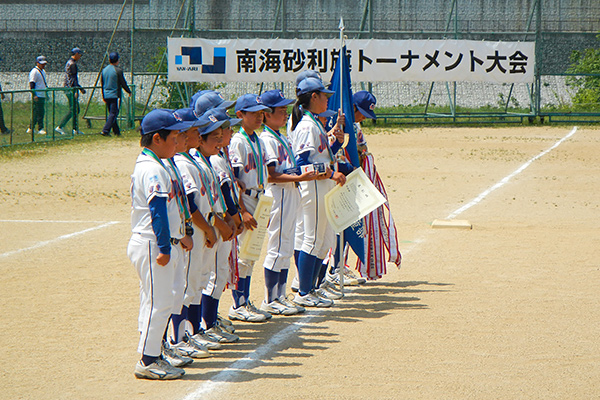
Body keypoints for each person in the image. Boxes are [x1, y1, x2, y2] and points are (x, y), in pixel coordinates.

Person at [127, 109, 197, 380]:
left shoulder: (155, 163)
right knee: (160, 302)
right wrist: (166, 249)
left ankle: (153, 351)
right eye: (175, 135)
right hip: (154, 244)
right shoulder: (154, 168)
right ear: (157, 138)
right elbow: (157, 212)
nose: (179, 140)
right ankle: (148, 360)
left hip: (155, 243)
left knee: (156, 300)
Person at [258, 89, 321, 316]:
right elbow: (272, 174)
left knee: (285, 245)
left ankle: (280, 294)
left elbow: (288, 167)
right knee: (277, 245)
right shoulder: (266, 139)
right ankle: (269, 298)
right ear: (266, 114)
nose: (285, 114)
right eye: (280, 111)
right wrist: (300, 177)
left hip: (290, 192)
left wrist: (301, 173)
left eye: (286, 110)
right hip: (278, 194)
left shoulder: (281, 136)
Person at [289, 77, 346, 308]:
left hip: (321, 185)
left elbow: (320, 157)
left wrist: (335, 146)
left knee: (322, 241)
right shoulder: (305, 125)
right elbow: (300, 164)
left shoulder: (314, 123)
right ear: (314, 97)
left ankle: (311, 288)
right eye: (324, 96)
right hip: (312, 186)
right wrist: (330, 173)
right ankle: (303, 292)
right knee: (312, 239)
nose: (326, 100)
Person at [227, 93, 272, 322]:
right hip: (247, 201)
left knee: (251, 254)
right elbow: (235, 181)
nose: (259, 117)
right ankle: (238, 303)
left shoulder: (258, 139)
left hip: (259, 198)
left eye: (261, 112)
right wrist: (242, 210)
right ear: (240, 115)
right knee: (243, 255)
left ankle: (244, 300)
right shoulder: (238, 141)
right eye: (253, 113)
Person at [100, 52, 131, 137]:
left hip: (106, 94)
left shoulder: (104, 70)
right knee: (113, 113)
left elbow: (102, 83)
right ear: (117, 60)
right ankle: (105, 130)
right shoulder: (118, 70)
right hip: (114, 95)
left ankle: (116, 132)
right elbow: (122, 82)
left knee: (112, 114)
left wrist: (103, 95)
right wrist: (129, 91)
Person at [56, 47, 85, 136]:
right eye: (79, 54)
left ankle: (75, 128)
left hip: (68, 88)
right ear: (76, 54)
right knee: (74, 109)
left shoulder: (69, 63)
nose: (80, 56)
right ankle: (60, 127)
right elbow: (73, 79)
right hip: (70, 89)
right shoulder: (72, 64)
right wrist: (77, 89)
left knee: (75, 109)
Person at [27, 56, 48, 135]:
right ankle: (40, 128)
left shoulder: (43, 72)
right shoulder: (34, 71)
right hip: (37, 95)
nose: (43, 65)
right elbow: (32, 84)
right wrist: (34, 95)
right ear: (37, 63)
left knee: (39, 112)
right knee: (38, 112)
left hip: (42, 94)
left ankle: (31, 127)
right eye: (42, 64)